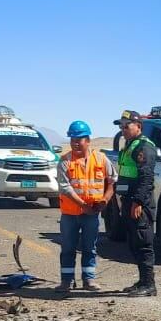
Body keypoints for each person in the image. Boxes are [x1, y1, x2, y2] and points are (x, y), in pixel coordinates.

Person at [55, 120, 115, 292]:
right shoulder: (65, 161)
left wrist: (105, 199)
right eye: (72, 139)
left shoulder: (101, 159)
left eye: (79, 139)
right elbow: (65, 188)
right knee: (68, 247)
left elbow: (111, 181)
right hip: (70, 213)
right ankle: (66, 281)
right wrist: (83, 205)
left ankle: (88, 280)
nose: (75, 142)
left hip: (92, 214)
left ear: (88, 140)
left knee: (90, 247)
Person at [112, 110, 159, 296]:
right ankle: (142, 281)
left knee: (143, 242)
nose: (123, 129)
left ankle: (149, 284)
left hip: (140, 203)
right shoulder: (129, 145)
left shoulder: (144, 147)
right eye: (121, 126)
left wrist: (138, 201)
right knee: (133, 243)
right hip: (128, 200)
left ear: (138, 126)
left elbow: (146, 178)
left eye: (127, 126)